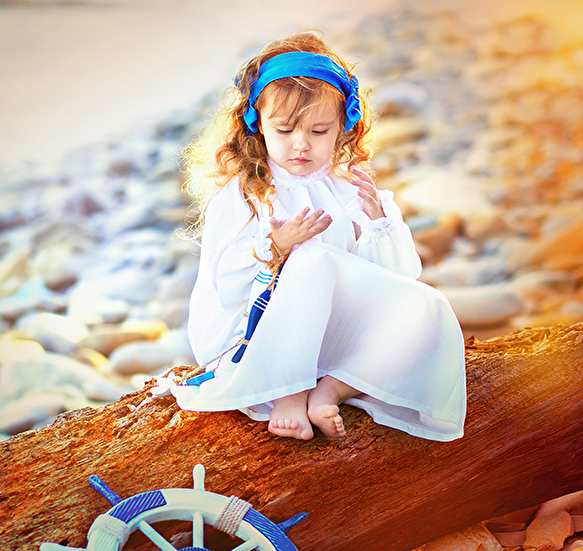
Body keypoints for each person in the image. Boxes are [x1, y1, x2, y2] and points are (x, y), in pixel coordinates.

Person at [168, 29, 466, 442]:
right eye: (284, 131)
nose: (301, 145)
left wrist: (378, 223)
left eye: (319, 131)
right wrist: (276, 247)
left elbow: (395, 278)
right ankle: (288, 392)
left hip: (328, 332)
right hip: (257, 336)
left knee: (428, 305)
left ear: (344, 126)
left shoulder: (347, 188)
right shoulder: (245, 194)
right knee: (312, 259)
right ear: (257, 126)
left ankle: (330, 390)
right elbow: (227, 287)